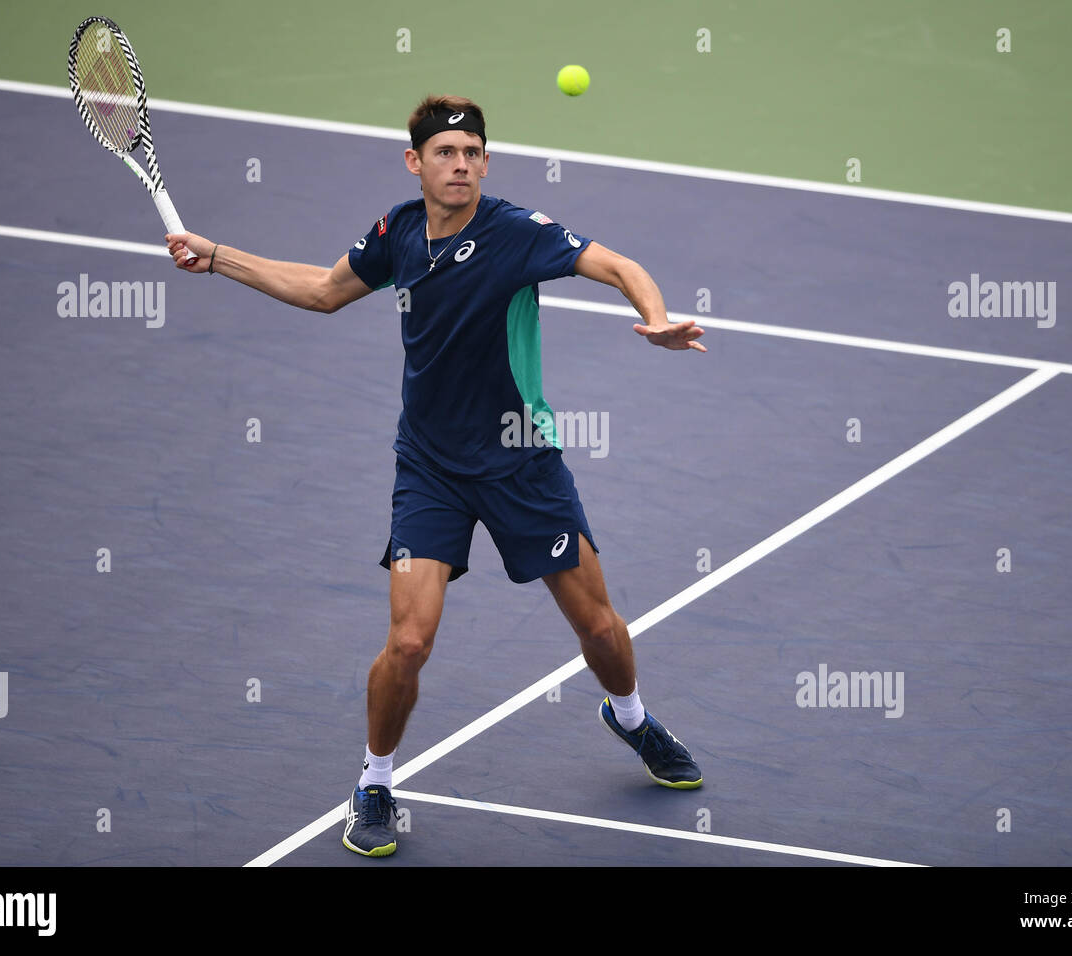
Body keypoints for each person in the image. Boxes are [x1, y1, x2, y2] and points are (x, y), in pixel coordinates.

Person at [166, 95, 707, 859]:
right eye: (447, 153)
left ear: (487, 162)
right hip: (429, 468)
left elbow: (615, 264)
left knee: (598, 626)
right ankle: (376, 783)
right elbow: (324, 291)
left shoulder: (517, 233)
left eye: (474, 153)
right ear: (415, 162)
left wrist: (655, 318)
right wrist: (218, 255)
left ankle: (630, 715)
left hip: (522, 462)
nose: (462, 165)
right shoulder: (398, 231)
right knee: (410, 641)